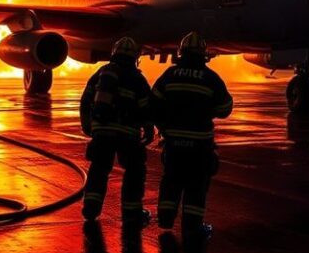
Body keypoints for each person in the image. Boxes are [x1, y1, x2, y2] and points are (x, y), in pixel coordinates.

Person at [151, 32, 233, 239]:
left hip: (173, 142)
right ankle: (192, 227)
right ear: (203, 54)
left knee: (171, 180)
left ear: (181, 53)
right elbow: (225, 108)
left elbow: (154, 102)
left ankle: (165, 220)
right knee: (197, 184)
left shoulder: (169, 75)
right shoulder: (211, 78)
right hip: (200, 144)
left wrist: (163, 125)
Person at [80, 37, 153, 225]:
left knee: (98, 170)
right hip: (127, 135)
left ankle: (90, 209)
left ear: (114, 53)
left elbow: (86, 100)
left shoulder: (102, 73)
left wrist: (88, 125)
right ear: (135, 57)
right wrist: (149, 128)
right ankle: (132, 213)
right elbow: (146, 107)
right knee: (134, 172)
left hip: (102, 132)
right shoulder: (138, 78)